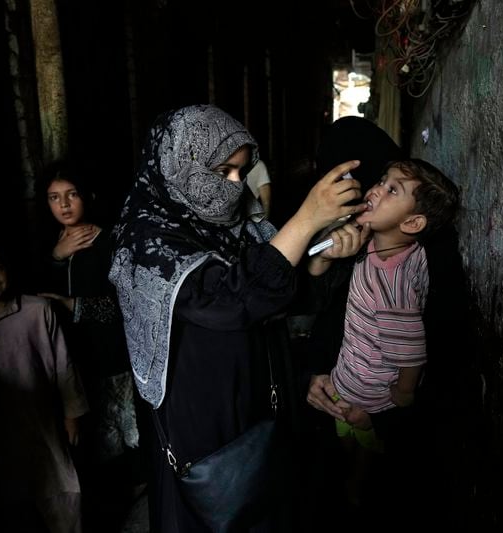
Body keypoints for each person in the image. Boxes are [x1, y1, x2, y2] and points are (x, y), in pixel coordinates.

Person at [108, 104, 364, 532]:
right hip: (203, 411)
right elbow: (229, 300)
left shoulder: (234, 215)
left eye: (241, 172)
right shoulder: (145, 237)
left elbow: (276, 287)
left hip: (259, 391)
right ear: (180, 164)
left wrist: (317, 258)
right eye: (223, 170)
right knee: (215, 501)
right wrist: (305, 221)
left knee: (264, 497)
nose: (233, 185)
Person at [305, 159, 461, 520]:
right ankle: (356, 480)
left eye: (392, 190)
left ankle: (354, 492)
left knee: (355, 441)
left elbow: (411, 354)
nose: (375, 189)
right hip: (358, 374)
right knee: (360, 445)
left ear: (411, 223)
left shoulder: (391, 286)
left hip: (364, 390)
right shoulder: (401, 249)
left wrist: (401, 396)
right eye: (382, 181)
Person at [37, 162, 142, 532]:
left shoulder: (112, 240)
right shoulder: (45, 243)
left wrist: (74, 306)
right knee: (87, 443)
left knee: (125, 440)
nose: (64, 205)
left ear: (87, 196)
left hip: (114, 359)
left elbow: (130, 302)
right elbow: (35, 298)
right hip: (70, 362)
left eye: (71, 194)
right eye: (54, 197)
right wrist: (55, 258)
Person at [0, 239, 88, 533]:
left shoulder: (37, 310)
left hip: (40, 419)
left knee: (61, 491)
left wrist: (72, 414)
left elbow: (63, 364)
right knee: (8, 496)